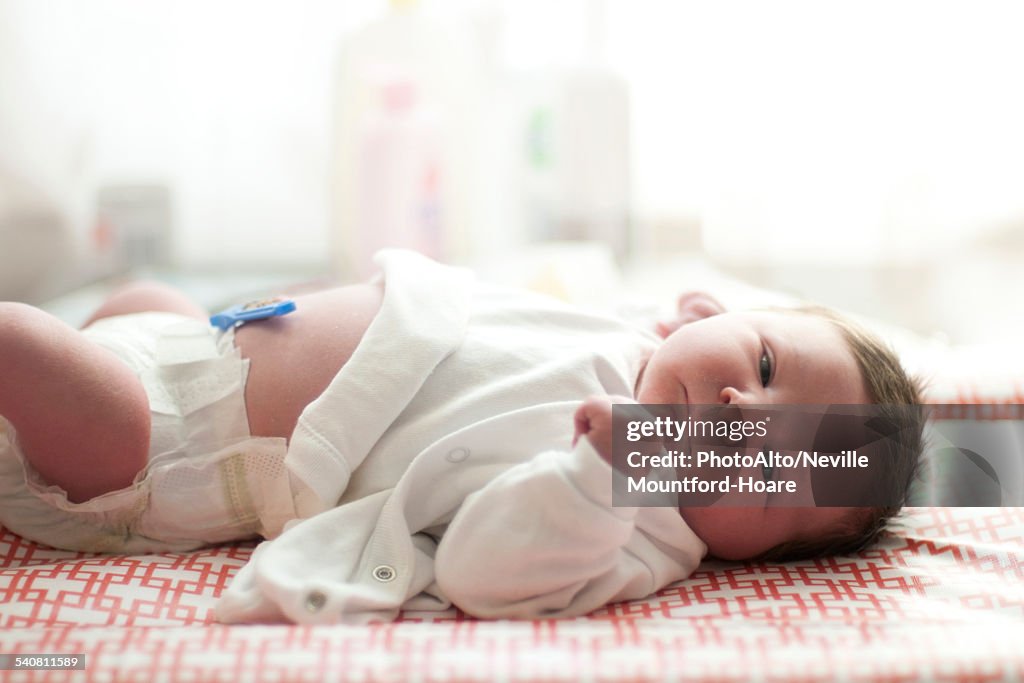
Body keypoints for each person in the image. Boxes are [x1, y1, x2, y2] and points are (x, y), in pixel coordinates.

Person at [0, 249, 923, 623]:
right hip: (191, 342)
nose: (741, 415)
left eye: (772, 468)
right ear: (703, 309)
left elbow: (488, 568)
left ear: (750, 550)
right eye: (765, 366)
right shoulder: (634, 334)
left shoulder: (637, 524)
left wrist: (598, 474)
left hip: (160, 449)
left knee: (20, 342)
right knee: (139, 295)